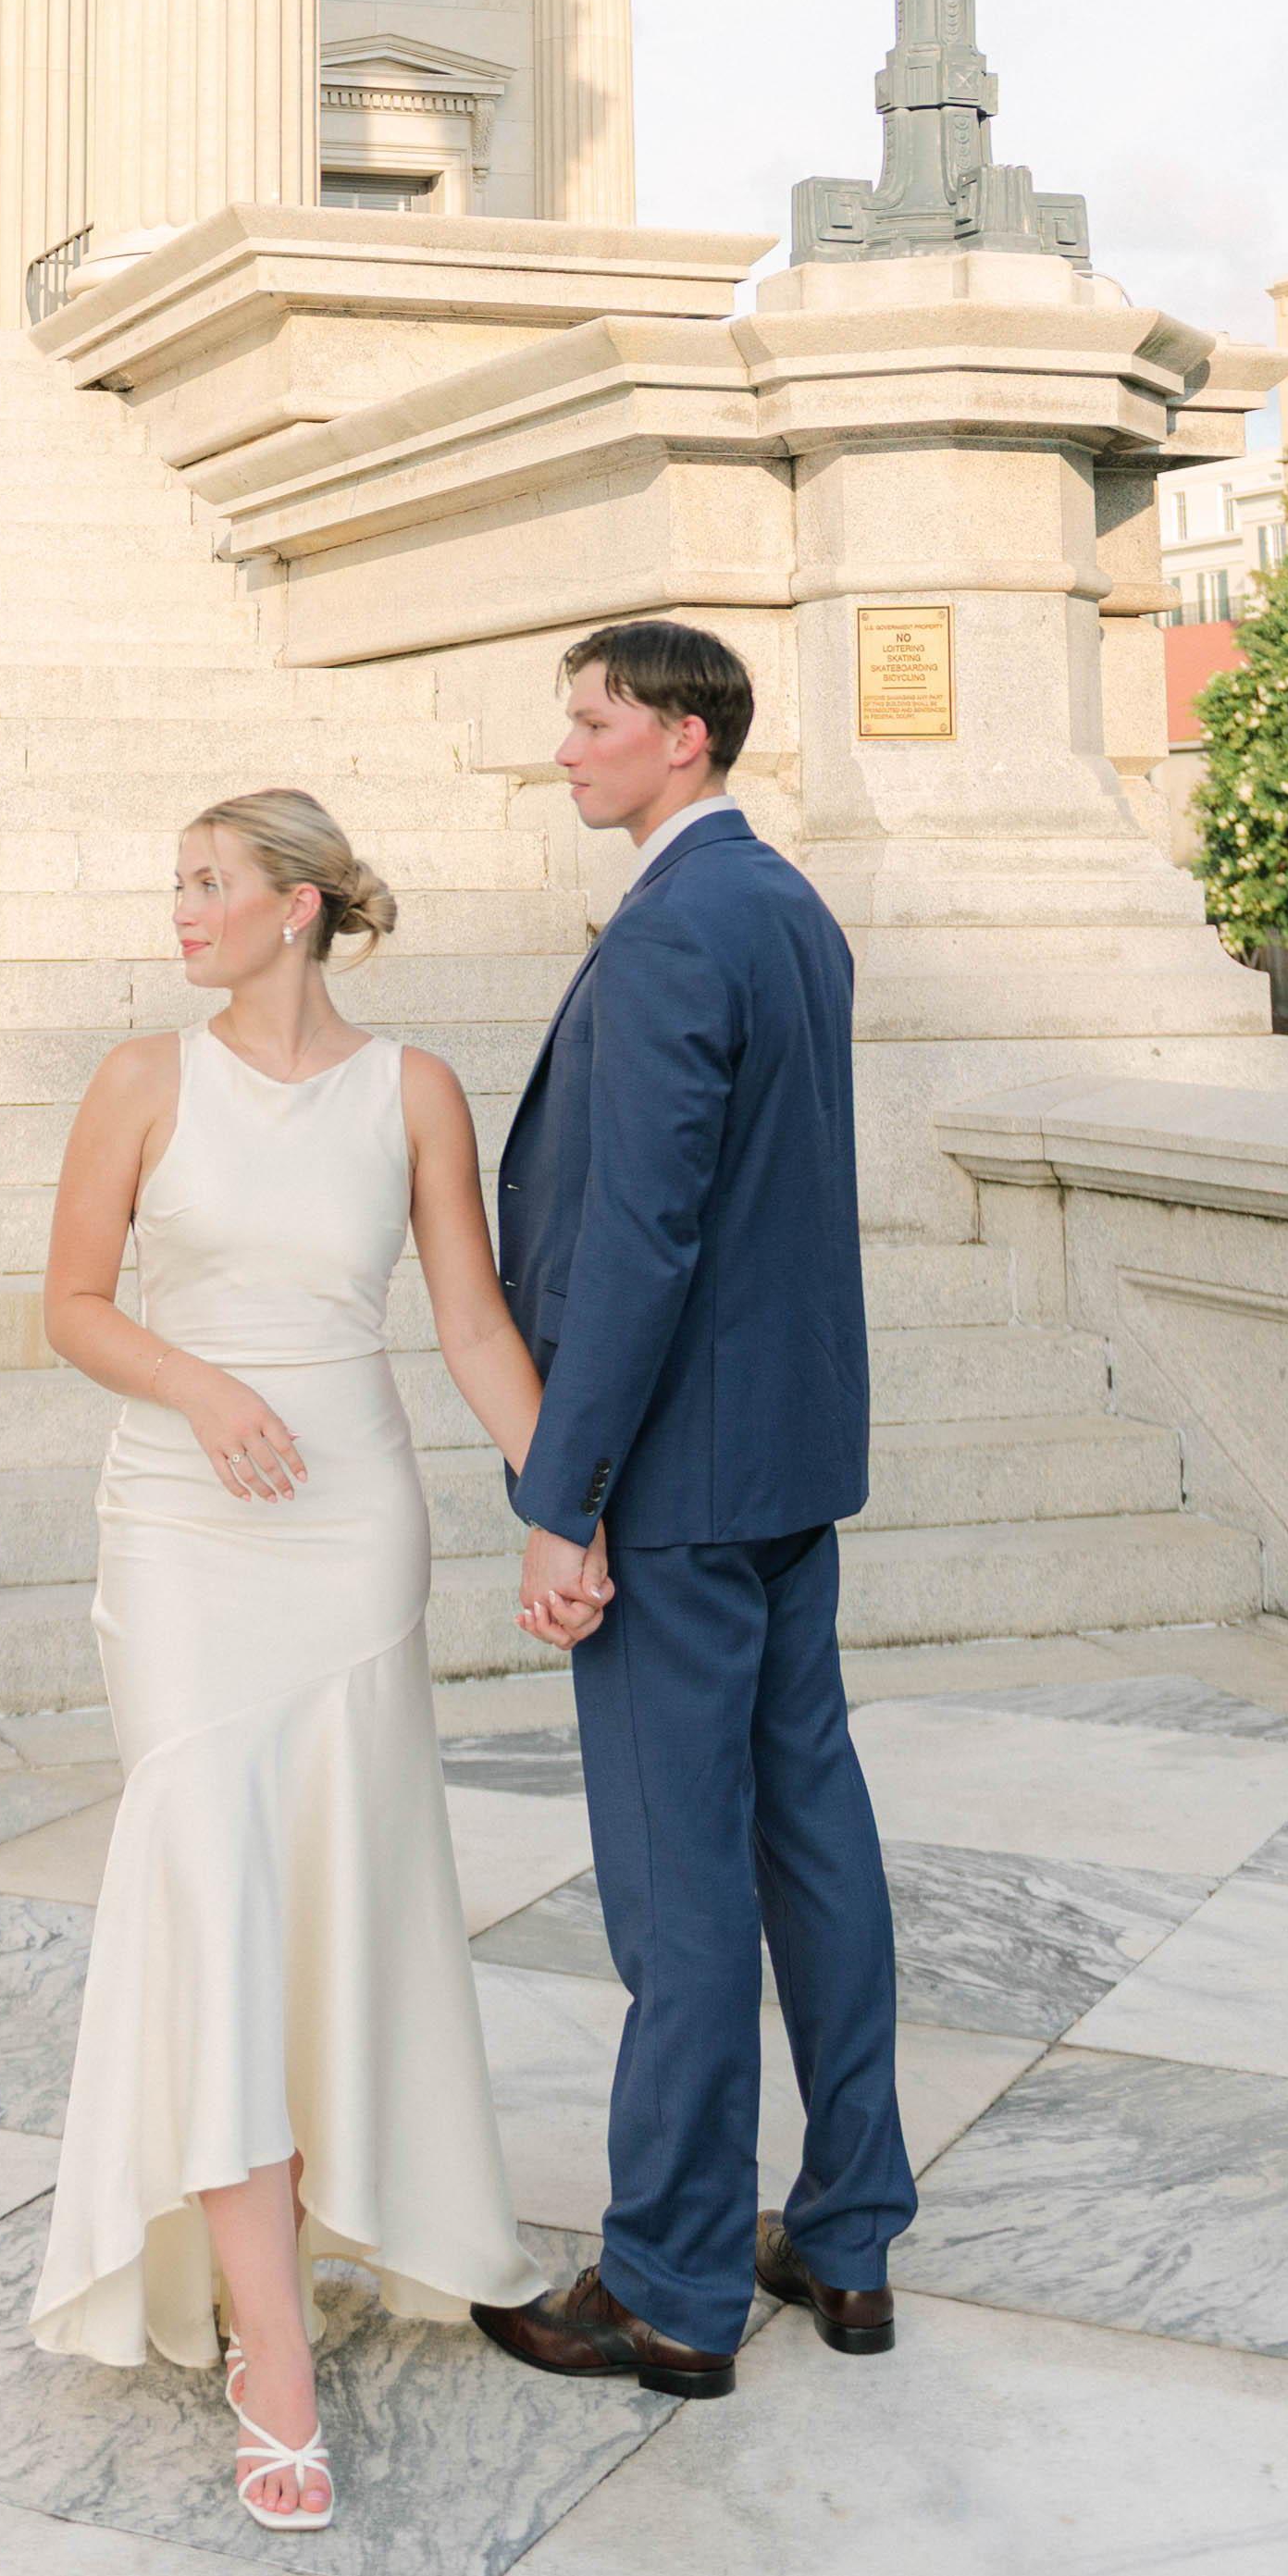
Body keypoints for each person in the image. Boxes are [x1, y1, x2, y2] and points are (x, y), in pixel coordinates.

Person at [28, 788, 551, 2533]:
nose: (181, 910)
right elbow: (72, 1304)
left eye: (210, 883)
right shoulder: (141, 1080)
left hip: (350, 1534)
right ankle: (273, 2355)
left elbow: (469, 1318)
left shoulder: (413, 1092)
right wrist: (203, 1388)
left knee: (331, 1894)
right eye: (175, 882)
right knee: (215, 1897)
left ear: (302, 906)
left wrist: (562, 1505)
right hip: (184, 1533)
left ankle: (323, 2229)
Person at [468, 621, 910, 2397]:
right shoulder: (789, 906)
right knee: (815, 1838)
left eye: (592, 722)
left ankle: (669, 2284)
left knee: (681, 1883)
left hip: (676, 1479)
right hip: (786, 1460)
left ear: (681, 737)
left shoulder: (673, 929)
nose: (565, 749)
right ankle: (850, 2239)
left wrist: (561, 1492)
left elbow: (640, 1238)